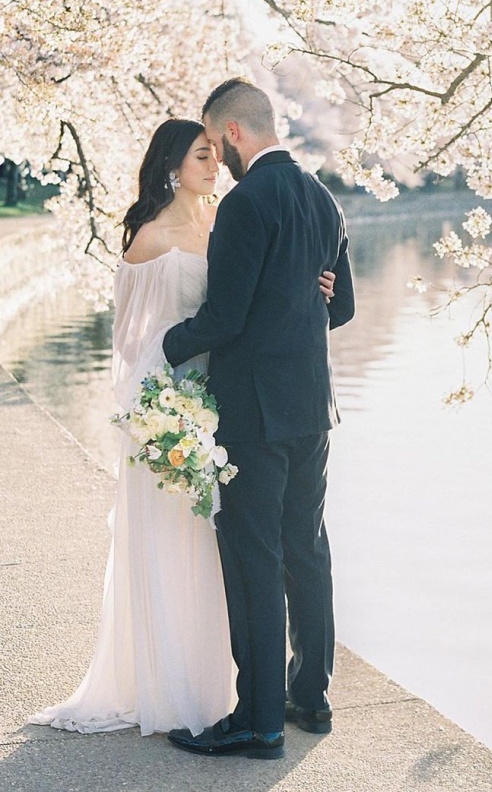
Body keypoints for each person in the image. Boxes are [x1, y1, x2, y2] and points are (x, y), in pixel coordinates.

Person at [30, 118, 337, 737]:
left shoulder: (231, 216)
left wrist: (316, 289)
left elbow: (248, 302)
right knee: (215, 545)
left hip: (234, 401)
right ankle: (192, 691)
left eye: (216, 153)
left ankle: (250, 703)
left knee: (237, 553)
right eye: (202, 155)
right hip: (183, 398)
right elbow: (134, 338)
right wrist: (161, 398)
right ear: (172, 165)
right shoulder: (150, 238)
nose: (215, 164)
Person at [161, 77, 355, 760]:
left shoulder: (246, 204)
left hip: (254, 414)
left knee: (253, 560)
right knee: (306, 551)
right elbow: (341, 310)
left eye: (216, 143)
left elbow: (227, 316)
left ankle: (258, 722)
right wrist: (314, 296)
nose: (218, 156)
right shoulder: (323, 198)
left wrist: (167, 346)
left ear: (234, 134)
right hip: (313, 410)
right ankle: (311, 697)